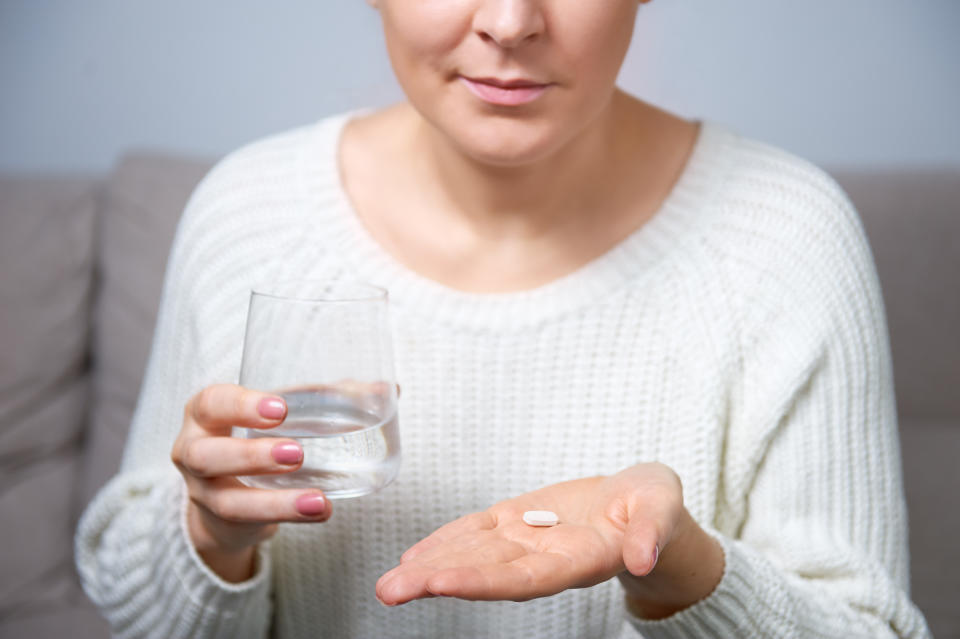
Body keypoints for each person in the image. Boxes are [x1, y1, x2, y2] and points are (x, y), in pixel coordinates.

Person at [76, 1, 932, 638]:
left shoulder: (784, 233)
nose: (512, 21)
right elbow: (133, 604)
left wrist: (685, 575)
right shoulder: (250, 216)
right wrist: (212, 532)